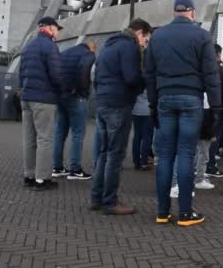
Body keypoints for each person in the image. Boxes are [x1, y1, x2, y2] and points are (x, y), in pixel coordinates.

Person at [145, 0, 221, 227]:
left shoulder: (157, 36)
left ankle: (162, 211)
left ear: (174, 12)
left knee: (165, 155)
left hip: (165, 99)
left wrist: (153, 104)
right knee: (186, 154)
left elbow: (149, 73)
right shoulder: (201, 36)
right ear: (192, 13)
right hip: (191, 99)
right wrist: (217, 107)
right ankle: (185, 213)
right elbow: (211, 75)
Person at [91, 18, 146, 215]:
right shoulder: (128, 47)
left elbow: (95, 76)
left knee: (104, 153)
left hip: (103, 102)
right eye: (145, 40)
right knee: (115, 155)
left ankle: (96, 198)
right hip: (119, 103)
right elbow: (131, 77)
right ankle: (110, 201)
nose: (144, 44)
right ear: (139, 32)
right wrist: (143, 83)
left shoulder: (108, 46)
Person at [19, 16, 63, 191]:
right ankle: (42, 179)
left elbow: (21, 73)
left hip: (26, 97)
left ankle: (29, 175)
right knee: (45, 139)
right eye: (57, 28)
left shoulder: (28, 47)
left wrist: (22, 91)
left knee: (29, 139)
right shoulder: (50, 46)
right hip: (43, 99)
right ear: (50, 28)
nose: (58, 32)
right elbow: (56, 75)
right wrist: (61, 91)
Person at [51, 39, 96, 180]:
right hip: (76, 97)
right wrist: (82, 90)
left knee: (60, 132)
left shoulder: (64, 53)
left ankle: (57, 168)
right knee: (78, 133)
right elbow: (84, 70)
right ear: (92, 47)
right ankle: (75, 170)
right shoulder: (88, 54)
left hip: (61, 96)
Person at [131, 22, 154, 170]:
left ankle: (136, 161)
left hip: (135, 107)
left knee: (137, 135)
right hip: (147, 107)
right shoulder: (148, 75)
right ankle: (144, 160)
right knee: (147, 135)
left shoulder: (136, 74)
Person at [205, 44, 223, 178]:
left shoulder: (202, 67)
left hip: (203, 106)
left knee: (202, 140)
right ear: (218, 54)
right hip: (217, 107)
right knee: (214, 137)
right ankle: (210, 165)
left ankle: (202, 166)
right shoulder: (220, 70)